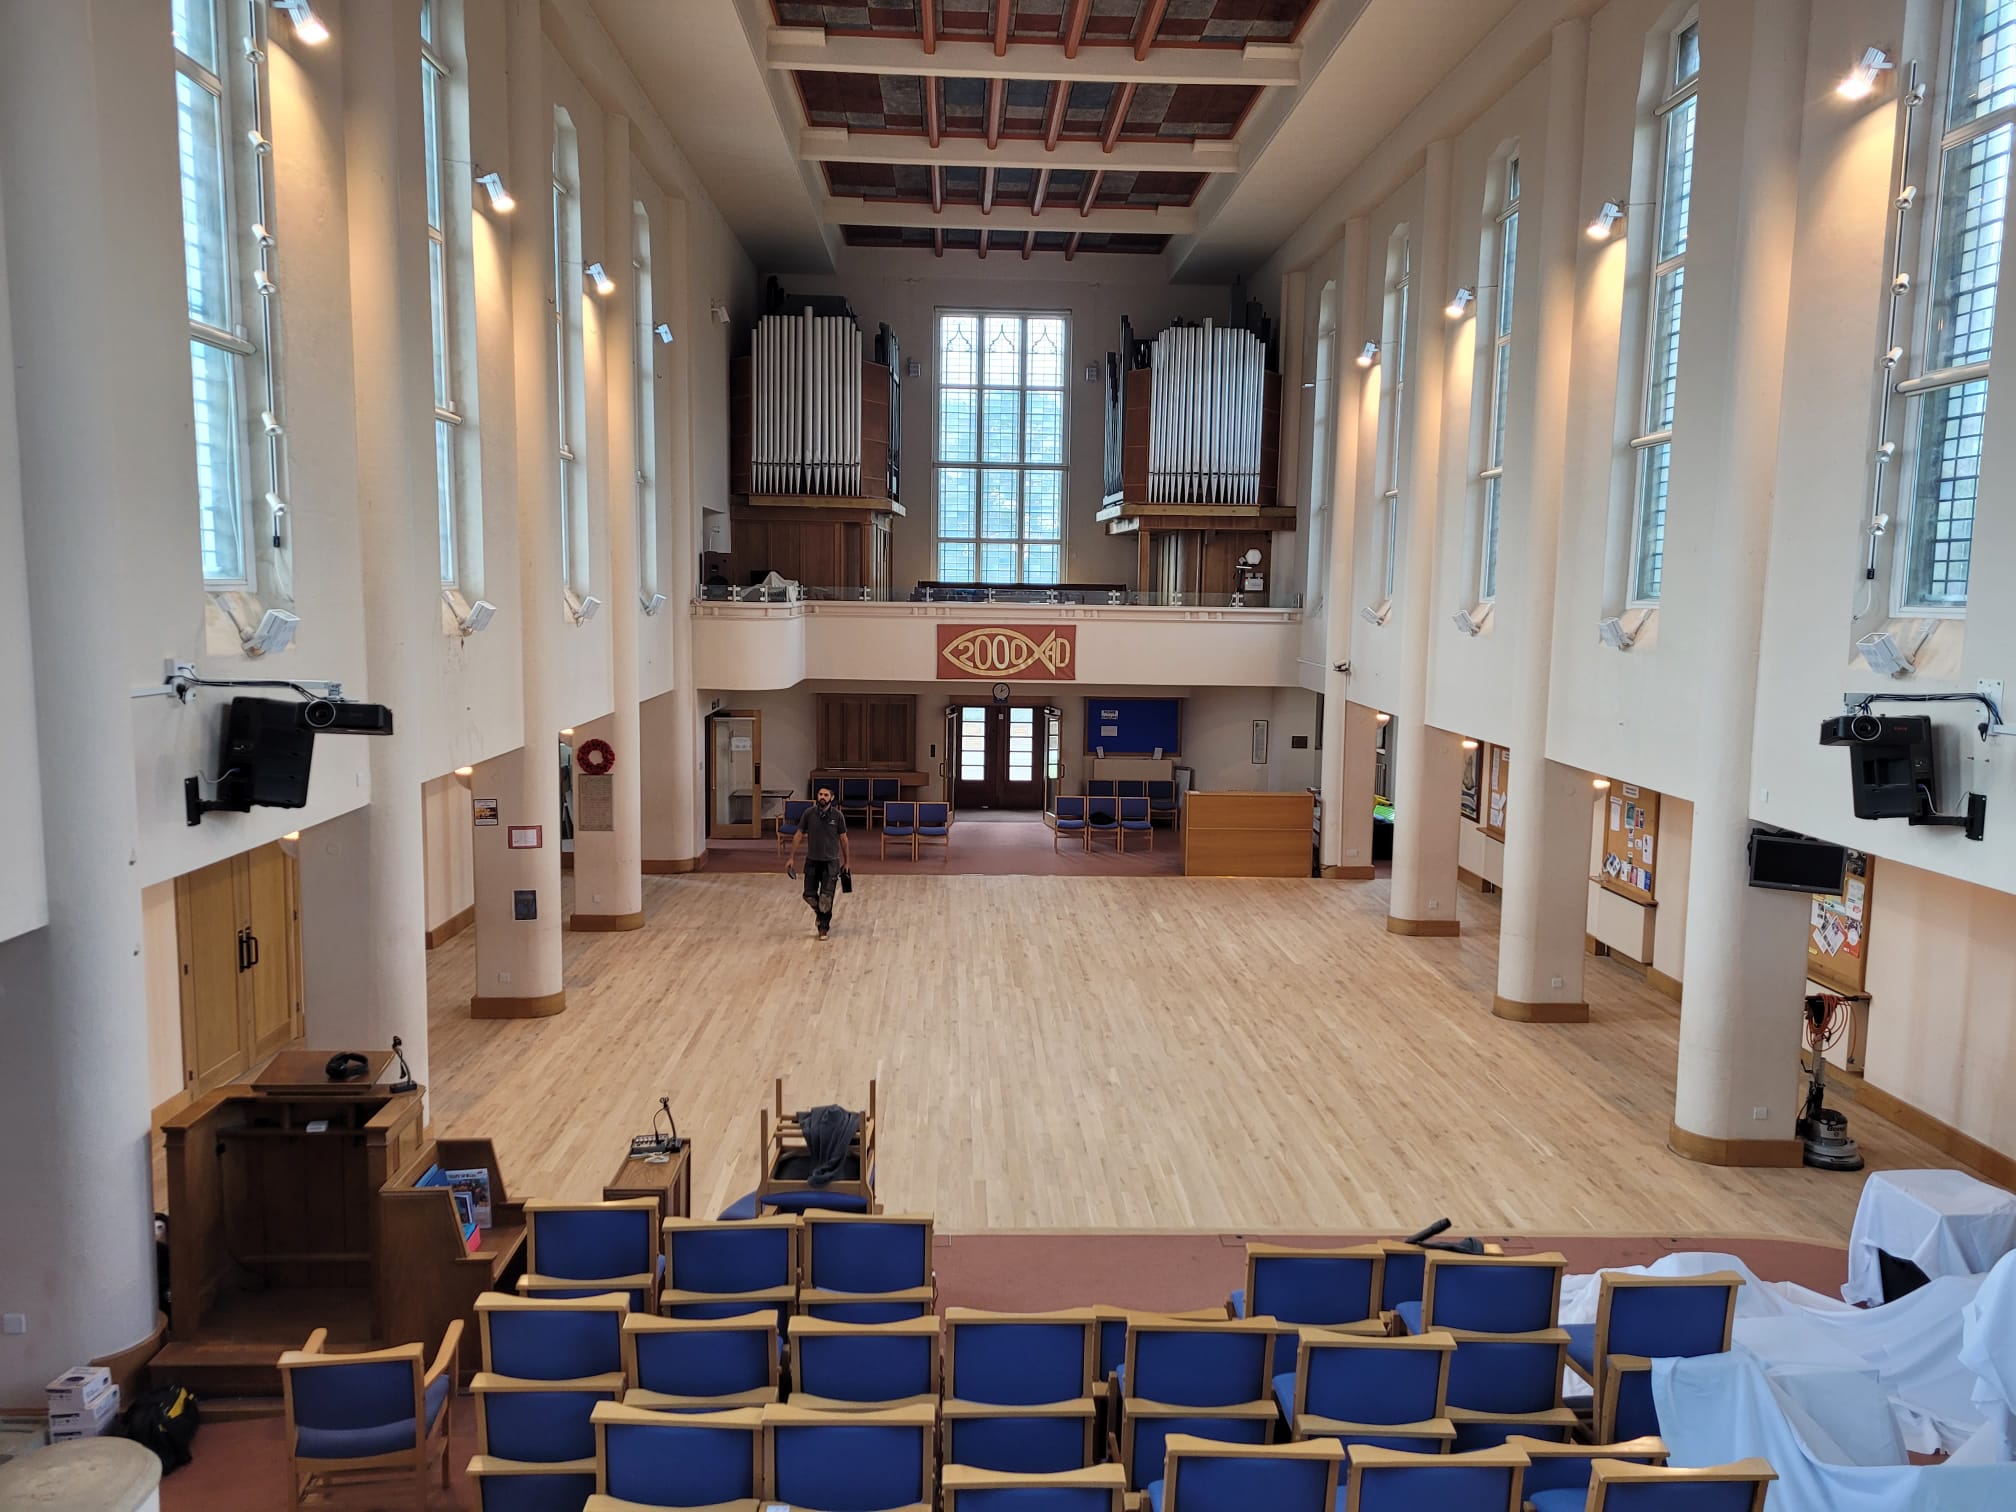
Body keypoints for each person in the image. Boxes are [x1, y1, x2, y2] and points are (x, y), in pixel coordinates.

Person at [784, 783, 851, 939]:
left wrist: (847, 862)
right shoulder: (808, 814)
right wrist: (791, 857)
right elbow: (799, 834)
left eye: (826, 795)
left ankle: (823, 927)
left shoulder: (837, 816)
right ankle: (820, 914)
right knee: (809, 895)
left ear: (832, 798)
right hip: (812, 861)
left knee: (826, 899)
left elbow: (844, 839)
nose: (822, 797)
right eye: (820, 794)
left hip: (831, 862)